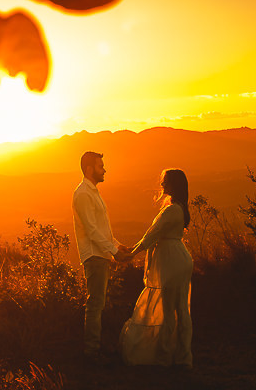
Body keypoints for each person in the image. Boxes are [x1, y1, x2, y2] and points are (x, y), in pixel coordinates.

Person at [118, 168, 193, 367]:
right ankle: (183, 356)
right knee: (181, 310)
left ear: (174, 185)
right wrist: (134, 249)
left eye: (166, 182)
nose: (162, 185)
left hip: (172, 260)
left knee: (170, 311)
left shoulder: (171, 210)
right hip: (179, 258)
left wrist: (132, 253)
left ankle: (165, 356)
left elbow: (152, 235)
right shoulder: (179, 208)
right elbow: (153, 234)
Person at [72, 151, 127, 360]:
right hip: (94, 256)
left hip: (100, 254)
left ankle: (95, 348)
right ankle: (91, 352)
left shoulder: (92, 192)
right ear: (89, 169)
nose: (104, 169)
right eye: (100, 166)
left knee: (98, 303)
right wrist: (114, 252)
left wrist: (118, 246)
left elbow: (101, 230)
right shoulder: (83, 194)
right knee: (95, 304)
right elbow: (92, 231)